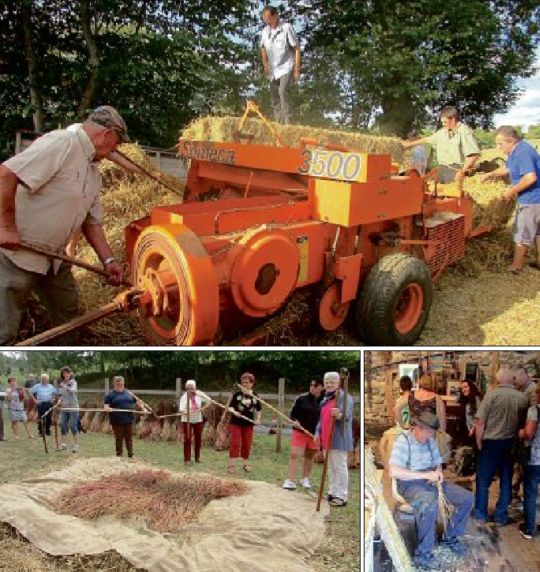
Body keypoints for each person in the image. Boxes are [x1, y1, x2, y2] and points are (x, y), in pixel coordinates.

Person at [0, 105, 129, 344]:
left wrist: (108, 260)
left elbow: (92, 222)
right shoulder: (63, 143)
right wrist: (6, 227)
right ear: (108, 134)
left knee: (68, 318)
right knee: (4, 328)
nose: (115, 150)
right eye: (117, 144)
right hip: (18, 253)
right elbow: (7, 173)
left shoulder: (93, 171)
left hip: (54, 260)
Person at [389, 411, 473, 569]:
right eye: (428, 433)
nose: (430, 436)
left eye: (432, 433)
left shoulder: (430, 440)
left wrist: (439, 473)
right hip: (410, 483)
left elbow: (437, 464)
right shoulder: (404, 441)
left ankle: (450, 536)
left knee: (467, 498)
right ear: (418, 427)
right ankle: (423, 555)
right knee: (429, 505)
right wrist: (424, 474)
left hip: (431, 480)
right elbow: (394, 471)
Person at [480, 126, 540, 273]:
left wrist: (511, 191)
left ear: (511, 141)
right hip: (535, 198)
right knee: (538, 232)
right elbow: (508, 169)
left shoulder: (524, 152)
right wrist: (491, 174)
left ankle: (516, 266)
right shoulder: (516, 152)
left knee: (521, 234)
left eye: (500, 144)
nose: (498, 147)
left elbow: (530, 177)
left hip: (531, 199)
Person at [473, 367, 528, 525]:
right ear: (512, 379)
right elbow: (524, 424)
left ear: (498, 379)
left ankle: (481, 514)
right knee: (506, 479)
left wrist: (478, 441)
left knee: (483, 479)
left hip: (491, 442)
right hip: (511, 443)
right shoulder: (522, 398)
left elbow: (480, 421)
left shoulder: (491, 395)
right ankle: (500, 516)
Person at [403, 106, 480, 183]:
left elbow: (473, 155)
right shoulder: (442, 132)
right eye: (442, 122)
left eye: (445, 122)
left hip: (457, 171)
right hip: (443, 170)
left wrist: (462, 171)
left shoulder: (464, 132)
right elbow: (426, 139)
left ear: (453, 119)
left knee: (449, 193)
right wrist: (408, 145)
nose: (443, 124)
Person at [315, 371, 354, 507]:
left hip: (338, 438)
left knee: (339, 466)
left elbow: (347, 416)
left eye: (332, 382)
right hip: (326, 439)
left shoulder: (344, 397)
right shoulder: (326, 399)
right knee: (330, 467)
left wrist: (339, 414)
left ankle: (341, 496)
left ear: (338, 383)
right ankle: (332, 492)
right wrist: (317, 433)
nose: (329, 384)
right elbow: (322, 419)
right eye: (326, 382)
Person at [260, 5, 300, 124]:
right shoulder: (265, 31)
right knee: (274, 97)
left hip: (285, 67)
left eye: (269, 18)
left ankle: (288, 123)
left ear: (275, 15)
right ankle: (279, 124)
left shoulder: (287, 28)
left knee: (282, 91)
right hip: (273, 70)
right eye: (264, 19)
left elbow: (297, 48)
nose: (267, 21)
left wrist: (297, 70)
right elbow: (262, 47)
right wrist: (265, 63)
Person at [282, 378, 324, 490]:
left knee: (309, 457)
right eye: (311, 384)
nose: (312, 387)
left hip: (314, 434)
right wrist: (295, 421)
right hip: (300, 431)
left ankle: (305, 479)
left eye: (315, 385)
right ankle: (290, 480)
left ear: (321, 387)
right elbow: (293, 414)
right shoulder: (301, 399)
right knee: (295, 455)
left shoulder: (324, 401)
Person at [517, 382, 540, 539]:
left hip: (535, 458)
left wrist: (521, 432)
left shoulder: (534, 410)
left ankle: (529, 529)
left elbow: (530, 432)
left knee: (531, 493)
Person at [227, 372, 262, 474]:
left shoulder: (255, 396)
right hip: (236, 423)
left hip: (248, 424)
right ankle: (231, 465)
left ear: (252, 383)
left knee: (247, 444)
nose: (245, 384)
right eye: (243, 382)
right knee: (235, 443)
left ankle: (245, 464)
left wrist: (258, 419)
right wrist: (234, 412)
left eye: (247, 382)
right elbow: (230, 407)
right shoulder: (237, 395)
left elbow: (259, 409)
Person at [104, 375, 145, 458]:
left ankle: (131, 454)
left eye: (121, 384)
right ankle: (119, 455)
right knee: (119, 438)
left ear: (124, 383)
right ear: (114, 384)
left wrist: (142, 408)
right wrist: (108, 408)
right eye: (118, 384)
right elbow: (105, 406)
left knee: (129, 438)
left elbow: (138, 402)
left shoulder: (129, 393)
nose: (120, 385)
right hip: (117, 420)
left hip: (129, 419)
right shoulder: (110, 395)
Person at [178, 379, 208, 465]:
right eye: (188, 388)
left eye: (192, 388)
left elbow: (210, 401)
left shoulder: (199, 394)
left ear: (195, 388)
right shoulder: (184, 397)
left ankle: (197, 458)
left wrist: (203, 408)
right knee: (187, 439)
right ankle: (187, 459)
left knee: (198, 439)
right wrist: (186, 411)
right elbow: (181, 410)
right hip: (187, 420)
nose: (190, 390)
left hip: (198, 419)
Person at [57, 366, 79, 452]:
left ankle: (76, 445)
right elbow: (62, 395)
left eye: (67, 373)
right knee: (63, 425)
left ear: (70, 374)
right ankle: (63, 445)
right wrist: (59, 401)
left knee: (73, 426)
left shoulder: (73, 382)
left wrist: (64, 386)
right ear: (62, 374)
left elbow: (73, 390)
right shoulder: (62, 383)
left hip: (73, 407)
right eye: (64, 373)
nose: (66, 374)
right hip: (64, 408)